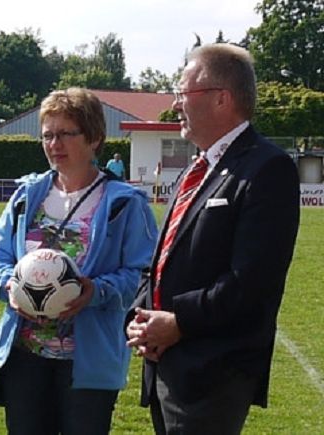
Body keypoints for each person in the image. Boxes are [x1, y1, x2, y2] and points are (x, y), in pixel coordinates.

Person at [125, 44, 300, 434]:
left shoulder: (266, 168)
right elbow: (164, 256)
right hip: (165, 364)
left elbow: (252, 282)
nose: (174, 105)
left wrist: (179, 322)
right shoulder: (199, 167)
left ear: (222, 98)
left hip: (212, 372)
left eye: (182, 93)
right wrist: (139, 318)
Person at [0, 88, 158, 434]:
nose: (54, 144)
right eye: (47, 135)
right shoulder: (26, 196)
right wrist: (9, 286)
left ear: (94, 138)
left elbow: (142, 275)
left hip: (88, 363)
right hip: (25, 356)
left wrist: (95, 291)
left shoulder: (125, 203)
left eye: (66, 134)